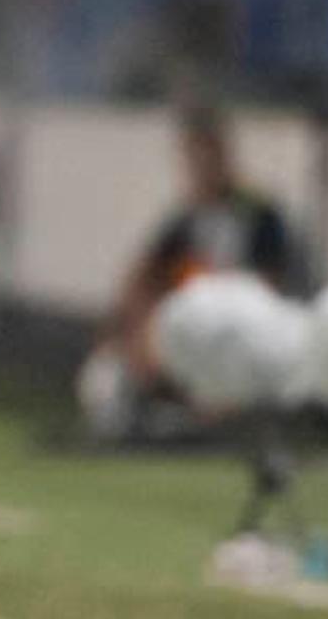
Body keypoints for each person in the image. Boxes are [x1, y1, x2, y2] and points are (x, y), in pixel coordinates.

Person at [77, 106, 299, 439]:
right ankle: (156, 410)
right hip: (188, 328)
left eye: (206, 157)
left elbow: (271, 284)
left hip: (237, 329)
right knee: (118, 358)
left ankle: (216, 414)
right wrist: (122, 327)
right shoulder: (185, 218)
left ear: (224, 155)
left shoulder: (257, 213)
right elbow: (142, 274)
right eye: (191, 159)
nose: (199, 169)